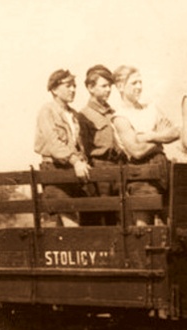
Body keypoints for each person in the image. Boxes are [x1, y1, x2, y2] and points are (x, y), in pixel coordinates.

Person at [111, 65, 180, 225]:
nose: (139, 87)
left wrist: (147, 136)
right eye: (134, 83)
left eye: (140, 82)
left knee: (174, 225)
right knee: (144, 229)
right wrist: (160, 136)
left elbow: (176, 131)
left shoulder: (151, 107)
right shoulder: (120, 117)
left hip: (163, 169)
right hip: (140, 175)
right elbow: (136, 151)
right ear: (120, 86)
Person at [34, 69, 91, 226]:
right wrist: (75, 161)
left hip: (74, 171)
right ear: (54, 89)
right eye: (68, 86)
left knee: (83, 221)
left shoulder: (74, 115)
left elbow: (79, 145)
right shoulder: (47, 111)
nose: (73, 90)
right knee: (71, 223)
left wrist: (81, 161)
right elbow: (54, 145)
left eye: (74, 86)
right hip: (54, 172)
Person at [78, 64, 122, 224]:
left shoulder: (113, 112)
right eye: (104, 86)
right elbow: (83, 149)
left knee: (121, 216)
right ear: (91, 87)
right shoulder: (84, 115)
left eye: (110, 86)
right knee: (103, 218)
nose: (109, 89)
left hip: (118, 167)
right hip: (99, 171)